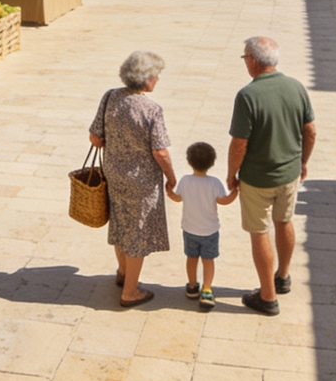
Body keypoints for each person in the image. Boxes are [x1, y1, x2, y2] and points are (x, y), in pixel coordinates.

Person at [227, 37, 316, 317]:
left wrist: (231, 174)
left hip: (258, 178)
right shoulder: (296, 87)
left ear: (253, 61)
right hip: (289, 173)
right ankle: (283, 276)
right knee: (284, 221)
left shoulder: (247, 95)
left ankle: (267, 296)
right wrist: (302, 162)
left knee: (260, 231)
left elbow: (239, 143)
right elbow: (310, 130)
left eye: (244, 58)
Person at [90, 51, 177, 307]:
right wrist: (171, 178)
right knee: (138, 232)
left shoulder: (110, 97)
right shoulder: (151, 109)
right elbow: (160, 151)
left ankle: (122, 272)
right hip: (141, 181)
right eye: (156, 75)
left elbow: (95, 137)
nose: (158, 79)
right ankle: (130, 291)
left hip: (114, 174)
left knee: (120, 222)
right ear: (146, 78)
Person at [166, 141, 238, 311]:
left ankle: (192, 286)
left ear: (189, 161)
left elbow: (177, 198)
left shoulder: (185, 181)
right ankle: (206, 289)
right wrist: (236, 191)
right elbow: (224, 200)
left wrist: (168, 191)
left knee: (191, 258)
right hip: (209, 231)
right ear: (212, 163)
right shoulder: (214, 183)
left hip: (189, 229)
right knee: (208, 260)